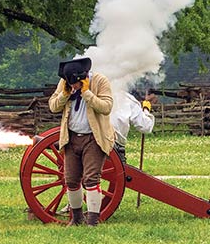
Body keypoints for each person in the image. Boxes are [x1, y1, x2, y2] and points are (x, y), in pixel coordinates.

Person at [49, 57, 114, 226]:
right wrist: (64, 94)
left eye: (75, 84)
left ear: (83, 77)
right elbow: (53, 106)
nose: (73, 87)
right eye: (70, 84)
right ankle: (76, 218)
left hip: (94, 137)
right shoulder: (65, 84)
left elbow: (106, 107)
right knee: (71, 180)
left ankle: (92, 221)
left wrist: (87, 93)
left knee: (91, 179)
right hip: (71, 138)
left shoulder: (100, 81)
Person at [110, 92, 157, 164]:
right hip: (116, 149)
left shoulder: (92, 94)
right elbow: (146, 126)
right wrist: (146, 109)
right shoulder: (128, 100)